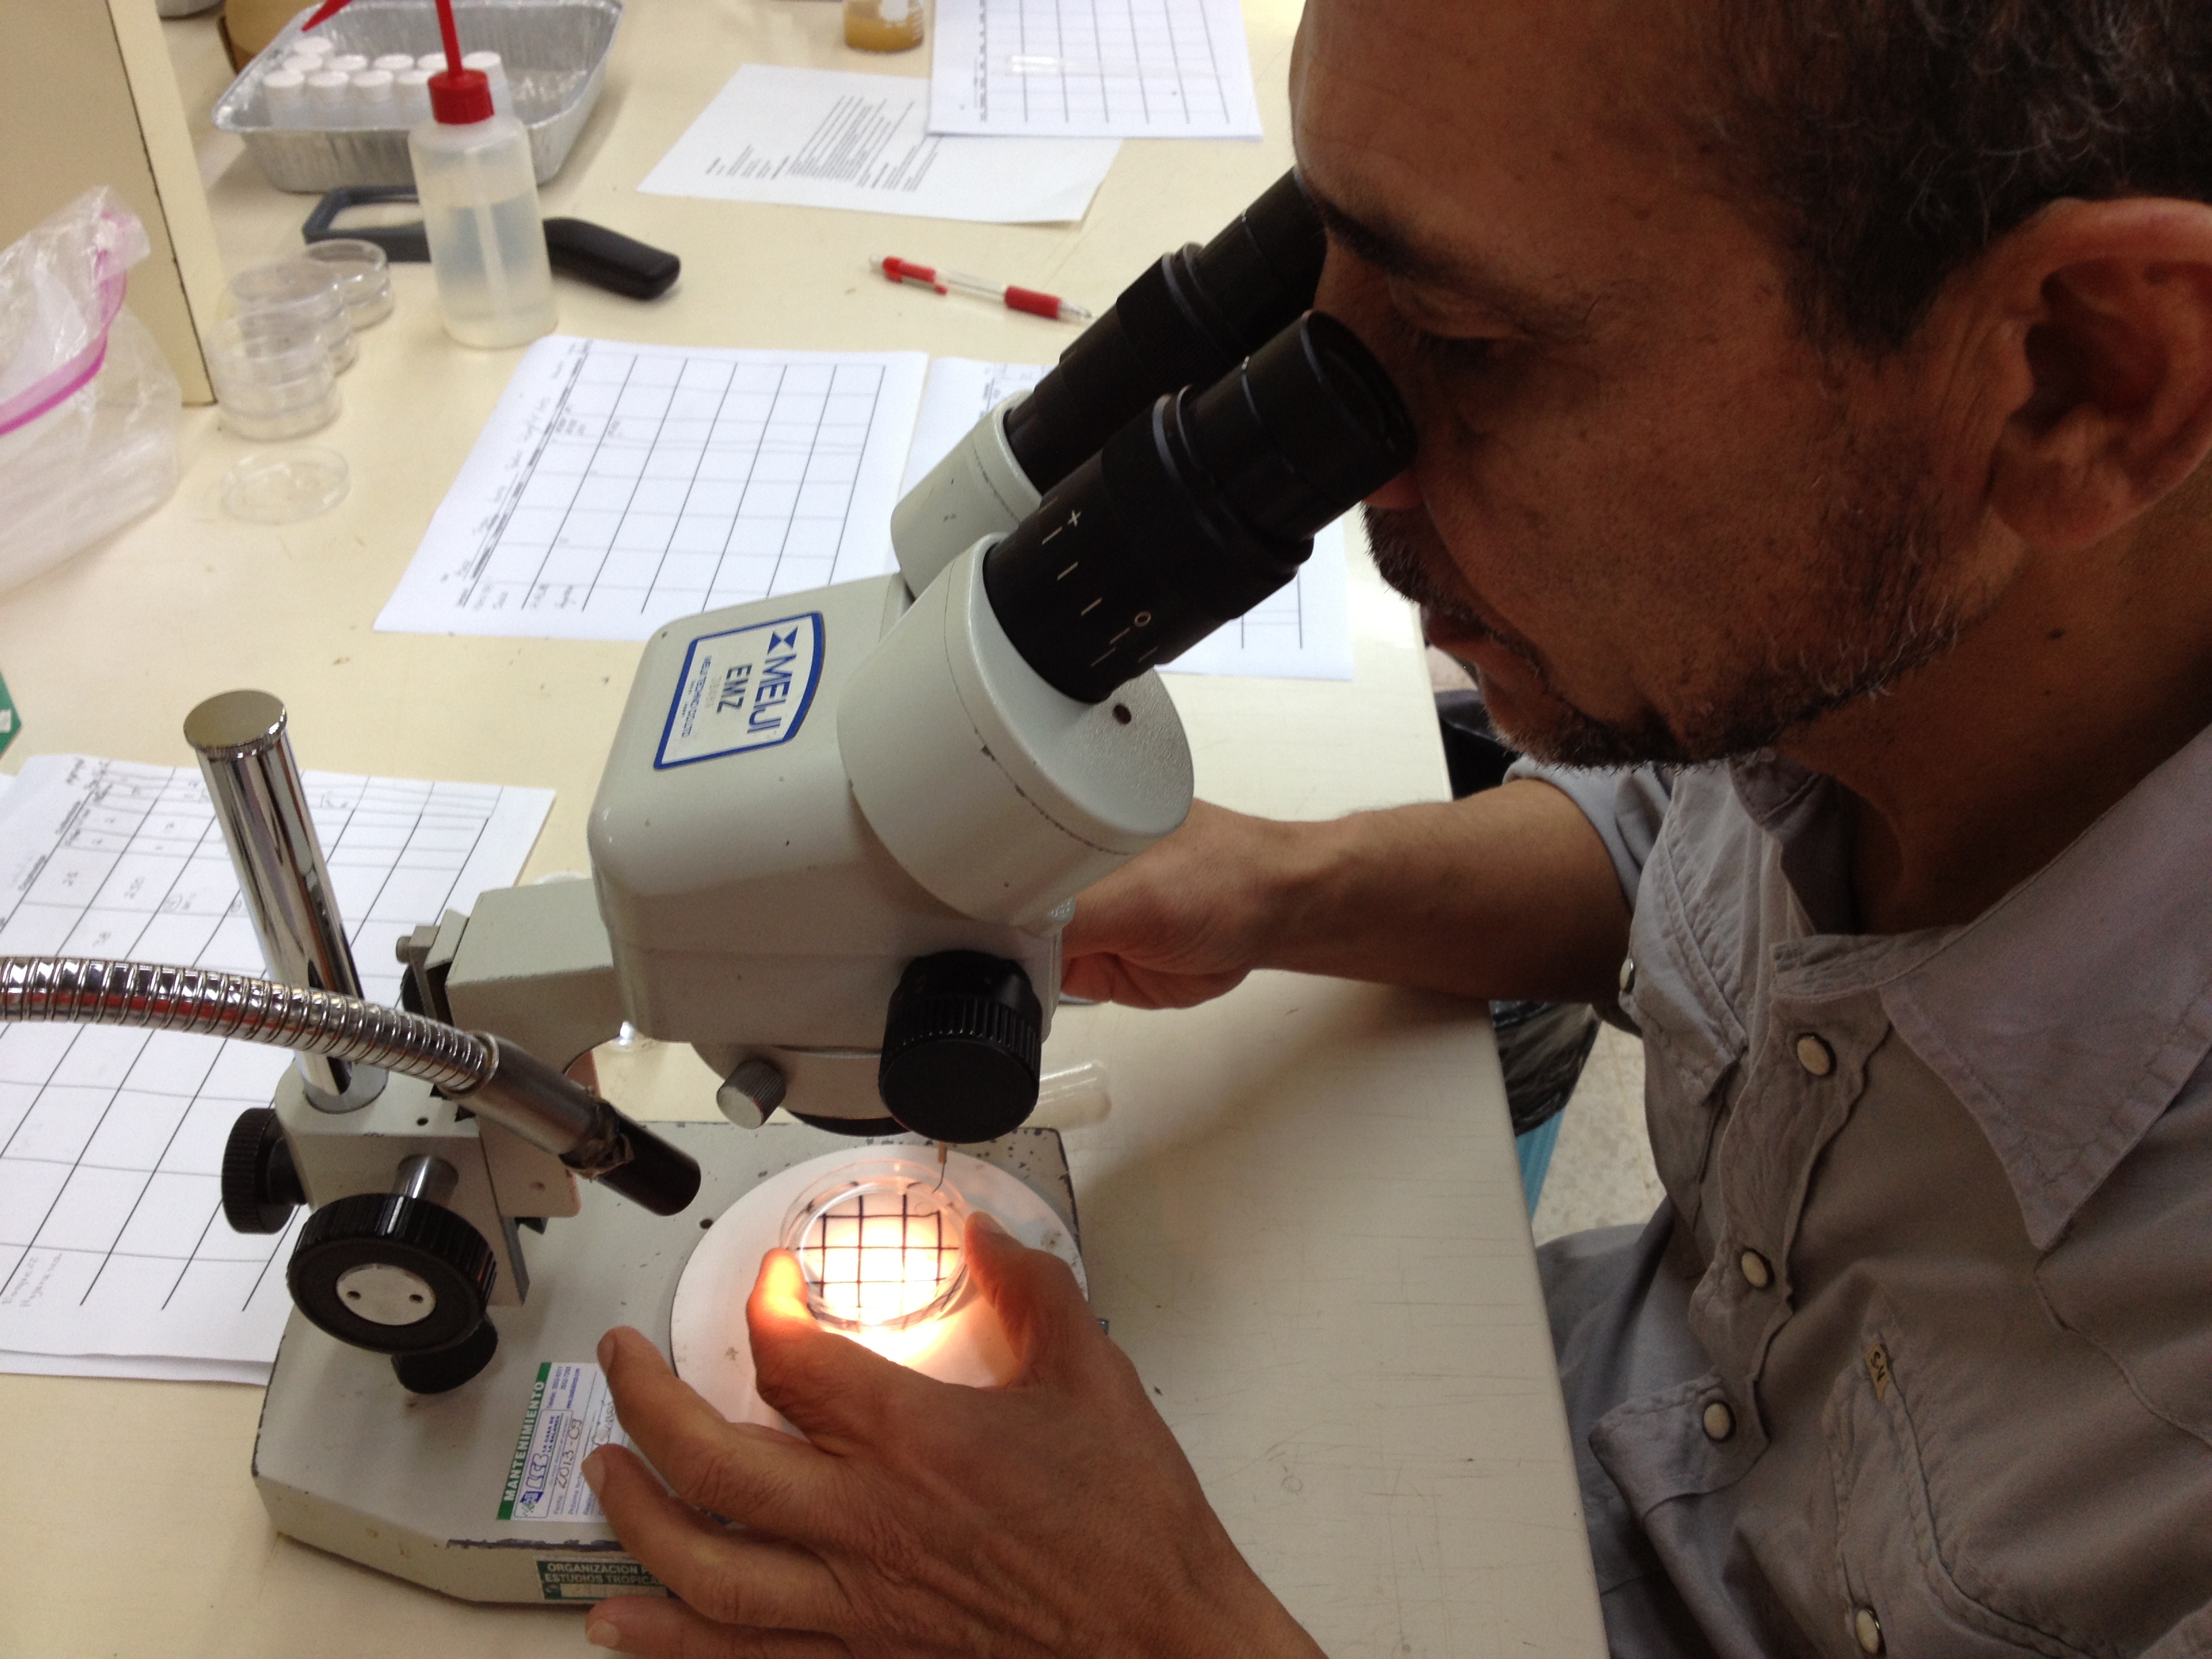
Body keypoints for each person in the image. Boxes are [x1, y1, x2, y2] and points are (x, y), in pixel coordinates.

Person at [577, 0, 2212, 1650]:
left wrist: (1153, 1633)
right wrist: (1283, 885)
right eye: (1315, 273)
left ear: (2085, 380)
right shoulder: (1883, 651)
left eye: (1464, 339)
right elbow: (1675, 841)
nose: (1355, 488)